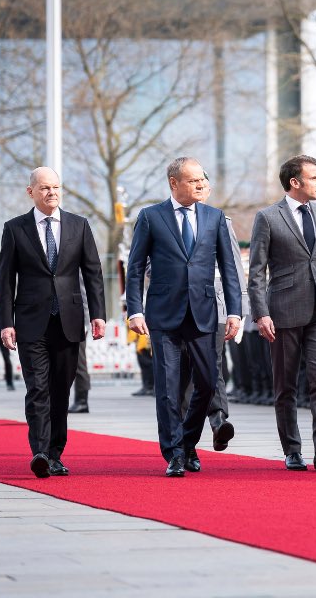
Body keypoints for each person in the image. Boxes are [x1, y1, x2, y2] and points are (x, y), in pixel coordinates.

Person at [126, 157, 242, 477]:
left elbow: (230, 268)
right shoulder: (151, 217)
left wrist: (234, 311)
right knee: (167, 387)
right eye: (193, 181)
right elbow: (135, 267)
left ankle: (189, 442)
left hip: (204, 313)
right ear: (174, 184)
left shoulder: (214, 217)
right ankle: (174, 453)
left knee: (207, 384)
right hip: (163, 315)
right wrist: (135, 310)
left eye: (202, 179)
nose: (201, 184)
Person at [0, 167, 107, 478]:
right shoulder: (15, 229)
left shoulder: (79, 225)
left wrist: (98, 314)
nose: (52, 193)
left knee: (61, 390)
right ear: (30, 191)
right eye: (45, 188)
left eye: (56, 187)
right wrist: (6, 322)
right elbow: (6, 281)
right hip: (31, 323)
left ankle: (56, 452)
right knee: (37, 389)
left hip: (69, 322)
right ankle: (41, 452)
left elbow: (93, 273)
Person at [248, 153, 316, 471]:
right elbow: (256, 272)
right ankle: (292, 449)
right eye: (315, 177)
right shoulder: (268, 217)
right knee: (285, 383)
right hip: (283, 311)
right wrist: (261, 313)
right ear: (295, 182)